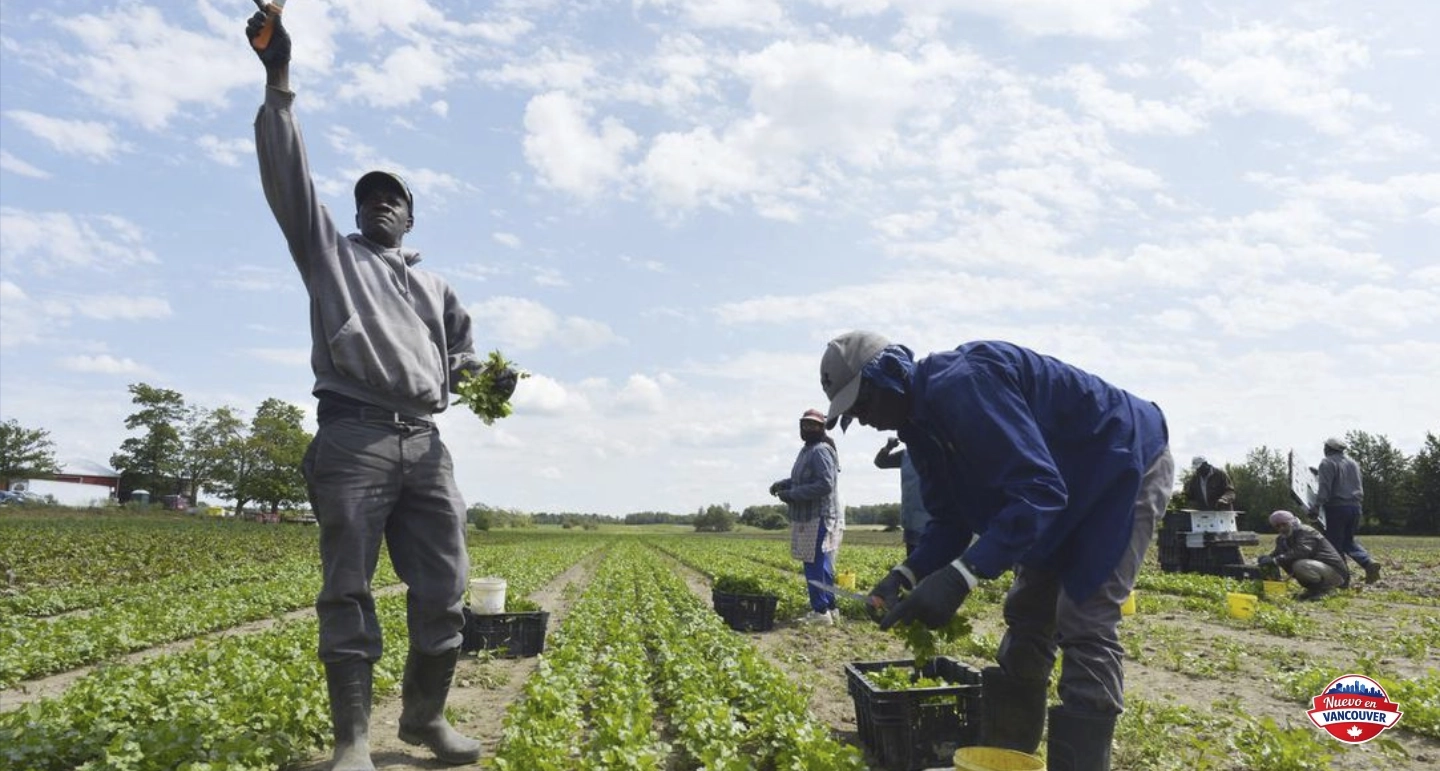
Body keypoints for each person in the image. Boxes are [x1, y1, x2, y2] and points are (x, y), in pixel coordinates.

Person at [247, 9, 516, 770]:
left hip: (426, 444)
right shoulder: (331, 255)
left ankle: (425, 719)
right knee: (348, 587)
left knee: (446, 585)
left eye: (393, 197)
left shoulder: (436, 286)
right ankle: (353, 741)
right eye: (369, 196)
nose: (380, 203)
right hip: (354, 436)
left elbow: (463, 361)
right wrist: (278, 77)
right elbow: (289, 180)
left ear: (411, 216)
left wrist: (491, 380)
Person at [820, 331, 1172, 771]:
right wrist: (905, 574)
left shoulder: (963, 384)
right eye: (852, 414)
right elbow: (950, 522)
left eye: (862, 404)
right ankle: (1008, 755)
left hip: (1120, 467)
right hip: (1060, 491)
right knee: (1028, 612)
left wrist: (961, 577)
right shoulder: (919, 430)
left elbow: (1040, 491)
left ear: (888, 376)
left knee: (1085, 618)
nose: (863, 419)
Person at [769, 409, 844, 625]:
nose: (808, 428)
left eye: (813, 425)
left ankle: (820, 611)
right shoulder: (807, 450)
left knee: (814, 563)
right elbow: (803, 479)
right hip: (810, 516)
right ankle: (831, 607)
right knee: (822, 564)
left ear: (822, 428)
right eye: (805, 425)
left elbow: (825, 484)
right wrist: (784, 484)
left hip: (817, 515)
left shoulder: (820, 451)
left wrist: (792, 495)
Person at [1313, 437, 1381, 584]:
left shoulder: (1327, 462)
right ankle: (1368, 562)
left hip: (1337, 508)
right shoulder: (1353, 463)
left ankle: (1343, 580)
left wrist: (1317, 506)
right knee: (1347, 541)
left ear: (1328, 448)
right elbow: (1345, 481)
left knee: (1334, 545)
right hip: (1355, 507)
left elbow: (1325, 488)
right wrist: (1319, 474)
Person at [1258, 509, 1349, 601]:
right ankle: (1312, 590)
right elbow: (1278, 554)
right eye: (1277, 526)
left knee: (1300, 565)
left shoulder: (1306, 531)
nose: (1281, 528)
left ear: (1291, 522)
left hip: (1334, 572)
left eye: (1284, 524)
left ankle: (1325, 590)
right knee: (1272, 561)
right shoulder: (1282, 539)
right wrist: (1267, 559)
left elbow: (1302, 551)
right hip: (1319, 568)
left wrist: (1276, 560)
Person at [874, 437, 932, 555]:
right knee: (914, 561)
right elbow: (881, 462)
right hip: (912, 520)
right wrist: (888, 447)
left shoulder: (939, 451)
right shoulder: (906, 455)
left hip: (934, 520)